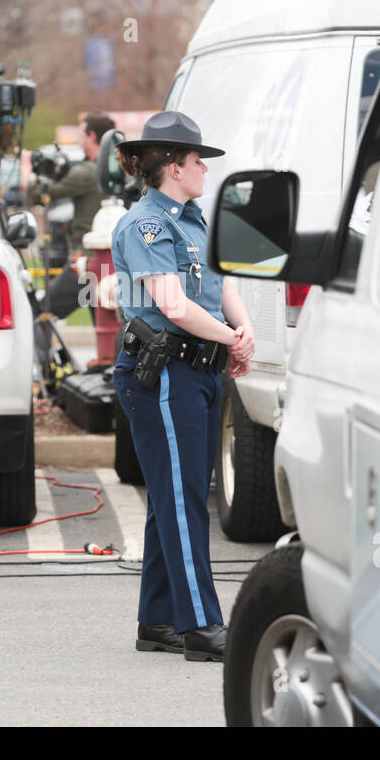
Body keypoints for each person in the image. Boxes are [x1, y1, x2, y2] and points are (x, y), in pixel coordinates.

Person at [110, 110, 255, 662]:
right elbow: (171, 304)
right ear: (174, 165)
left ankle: (157, 620)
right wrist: (228, 340)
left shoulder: (194, 219)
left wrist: (240, 333)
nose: (204, 171)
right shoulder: (146, 224)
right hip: (163, 374)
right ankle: (201, 625)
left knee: (173, 497)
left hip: (198, 369)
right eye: (198, 162)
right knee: (184, 499)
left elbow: (223, 285)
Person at [27, 112, 113, 318]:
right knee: (106, 326)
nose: (78, 141)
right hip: (112, 264)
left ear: (92, 136)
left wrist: (39, 170)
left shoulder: (89, 172)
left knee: (41, 312)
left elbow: (38, 192)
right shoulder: (118, 168)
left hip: (86, 262)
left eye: (81, 135)